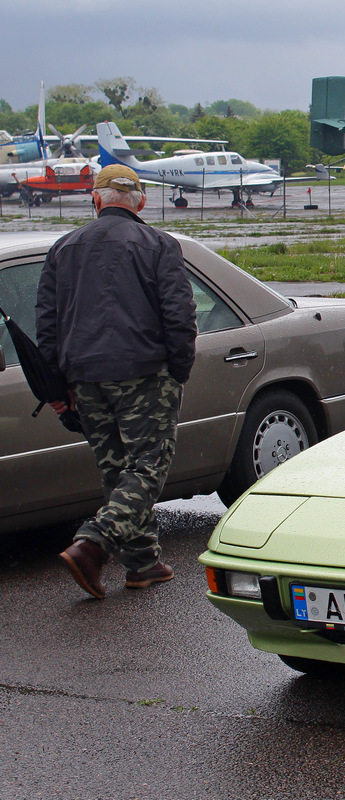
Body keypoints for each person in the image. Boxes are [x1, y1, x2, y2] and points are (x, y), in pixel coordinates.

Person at [36, 163, 197, 600]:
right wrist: (179, 370)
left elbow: (46, 326)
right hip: (144, 373)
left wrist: (56, 386)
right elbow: (180, 315)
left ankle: (143, 564)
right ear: (141, 201)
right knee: (148, 466)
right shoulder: (159, 244)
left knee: (116, 471)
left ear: (96, 199)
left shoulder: (62, 248)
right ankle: (92, 543)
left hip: (84, 378)